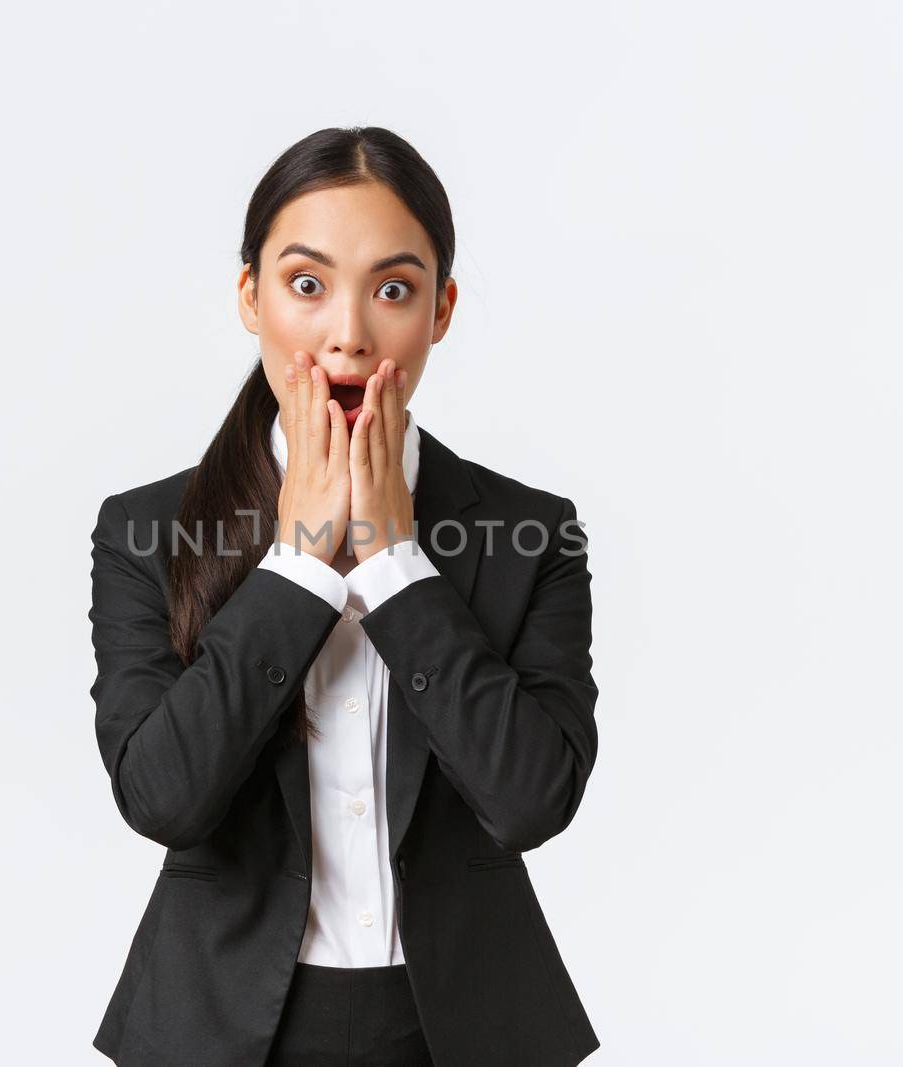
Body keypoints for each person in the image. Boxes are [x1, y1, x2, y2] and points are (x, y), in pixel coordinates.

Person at [89, 126, 601, 1066]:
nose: (350, 334)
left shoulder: (533, 532)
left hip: (466, 1027)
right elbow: (163, 797)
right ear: (252, 297)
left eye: (394, 289)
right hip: (218, 1026)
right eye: (307, 284)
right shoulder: (145, 531)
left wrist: (396, 562)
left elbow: (531, 798)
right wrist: (300, 565)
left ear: (441, 310)